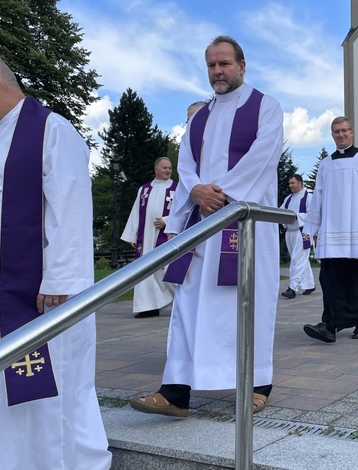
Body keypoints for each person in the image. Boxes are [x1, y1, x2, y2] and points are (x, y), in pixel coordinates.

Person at [0, 51, 111, 469]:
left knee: (36, 396)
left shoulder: (50, 131)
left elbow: (71, 207)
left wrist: (61, 281)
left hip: (29, 300)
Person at [129, 35, 283, 416]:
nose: (217, 71)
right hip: (201, 224)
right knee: (190, 303)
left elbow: (263, 158)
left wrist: (222, 194)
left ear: (242, 66)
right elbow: (185, 164)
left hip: (243, 222)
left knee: (248, 300)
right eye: (211, 65)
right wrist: (196, 191)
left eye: (224, 64)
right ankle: (176, 391)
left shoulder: (267, 107)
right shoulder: (200, 116)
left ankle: (257, 382)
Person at [302, 116, 358, 341]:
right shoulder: (326, 163)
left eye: (344, 131)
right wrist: (311, 226)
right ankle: (329, 326)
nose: (340, 135)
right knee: (330, 278)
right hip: (331, 230)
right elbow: (318, 197)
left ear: (352, 132)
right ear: (332, 135)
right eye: (336, 132)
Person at [121, 157, 177, 318]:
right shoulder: (144, 189)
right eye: (165, 168)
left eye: (170, 168)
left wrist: (166, 221)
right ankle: (147, 307)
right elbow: (136, 212)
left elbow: (184, 211)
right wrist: (133, 235)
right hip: (146, 238)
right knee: (145, 271)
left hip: (167, 236)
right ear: (156, 170)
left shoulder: (177, 188)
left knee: (164, 270)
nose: (168, 170)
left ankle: (178, 301)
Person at [280, 174, 316, 299]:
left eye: (292, 183)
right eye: (289, 183)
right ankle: (309, 284)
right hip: (289, 231)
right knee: (301, 259)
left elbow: (312, 215)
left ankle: (292, 287)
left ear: (300, 183)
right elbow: (281, 211)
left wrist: (296, 216)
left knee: (297, 259)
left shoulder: (309, 197)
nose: (290, 185)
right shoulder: (288, 198)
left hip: (303, 232)